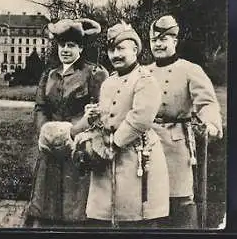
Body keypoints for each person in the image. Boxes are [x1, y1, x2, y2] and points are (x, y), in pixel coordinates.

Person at [74, 22, 170, 228]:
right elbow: (107, 117)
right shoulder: (109, 81)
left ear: (135, 49)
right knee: (103, 216)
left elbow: (140, 117)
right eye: (111, 50)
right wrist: (94, 121)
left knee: (134, 217)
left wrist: (113, 144)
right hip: (107, 157)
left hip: (137, 157)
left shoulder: (145, 80)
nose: (115, 55)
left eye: (120, 48)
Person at [25, 18, 108, 227]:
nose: (65, 50)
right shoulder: (49, 75)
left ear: (80, 47)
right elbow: (40, 107)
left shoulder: (94, 73)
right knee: (46, 204)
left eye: (71, 45)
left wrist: (77, 130)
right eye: (62, 45)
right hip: (51, 147)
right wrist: (45, 131)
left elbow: (101, 111)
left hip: (77, 146)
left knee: (75, 206)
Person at [147, 15, 223, 228]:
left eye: (164, 40)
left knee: (180, 199)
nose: (158, 45)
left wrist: (210, 124)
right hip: (148, 143)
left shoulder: (190, 70)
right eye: (154, 40)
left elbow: (206, 103)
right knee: (150, 199)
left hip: (177, 143)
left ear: (175, 41)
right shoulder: (144, 72)